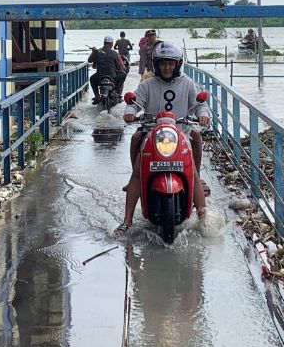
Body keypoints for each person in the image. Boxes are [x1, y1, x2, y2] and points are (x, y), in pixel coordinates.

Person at [115, 42, 211, 236]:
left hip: (181, 134)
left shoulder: (187, 83)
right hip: (152, 133)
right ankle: (127, 221)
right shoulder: (148, 84)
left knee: (191, 170)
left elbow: (200, 105)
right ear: (157, 65)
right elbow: (135, 103)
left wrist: (203, 114)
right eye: (163, 64)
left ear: (177, 64)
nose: (167, 67)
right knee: (137, 170)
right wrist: (129, 111)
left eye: (171, 63)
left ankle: (203, 218)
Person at [88, 36, 127, 104]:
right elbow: (118, 67)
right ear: (111, 44)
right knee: (123, 75)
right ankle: (114, 91)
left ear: (104, 43)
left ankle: (97, 96)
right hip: (112, 77)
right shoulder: (114, 53)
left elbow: (89, 60)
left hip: (100, 77)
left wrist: (93, 52)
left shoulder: (97, 52)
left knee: (92, 78)